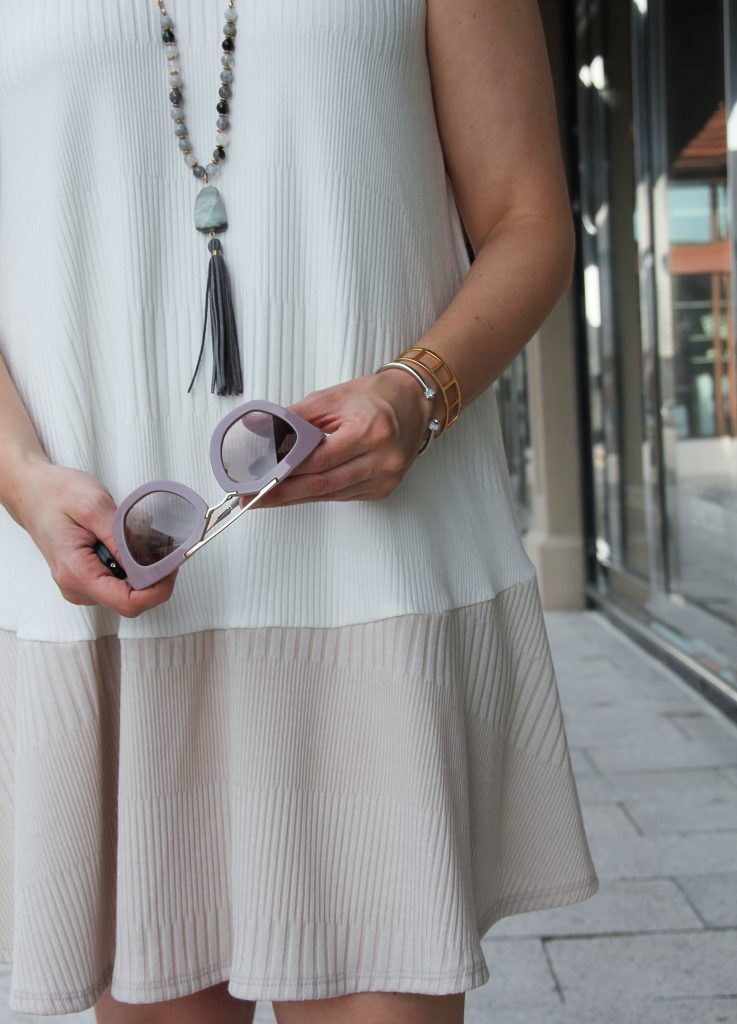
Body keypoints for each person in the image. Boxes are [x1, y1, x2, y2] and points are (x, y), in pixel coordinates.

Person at [0, 1, 599, 1022]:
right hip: (119, 592)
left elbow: (527, 218)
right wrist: (19, 476)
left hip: (370, 582)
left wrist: (417, 389)